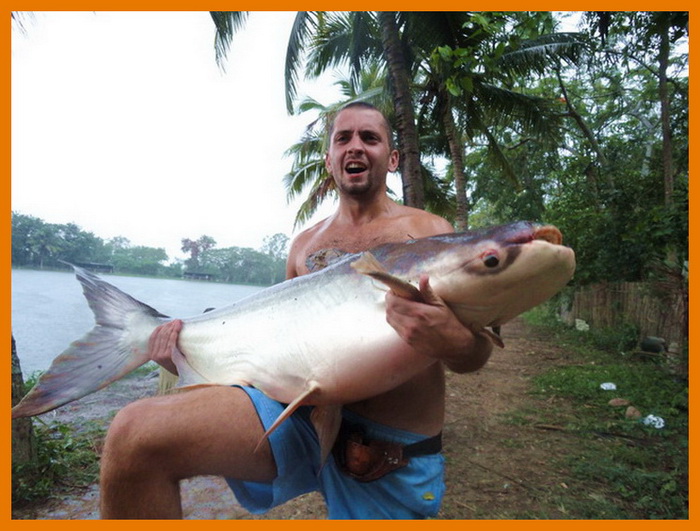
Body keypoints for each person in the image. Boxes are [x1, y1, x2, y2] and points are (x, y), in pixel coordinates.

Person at [99, 102, 493, 519]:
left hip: (390, 446)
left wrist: (454, 340)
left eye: (369, 138)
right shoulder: (304, 245)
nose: (355, 147)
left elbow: (476, 354)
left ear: (392, 159)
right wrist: (183, 358)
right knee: (134, 435)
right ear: (329, 160)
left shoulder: (431, 232)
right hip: (300, 420)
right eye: (343, 139)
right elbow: (278, 344)